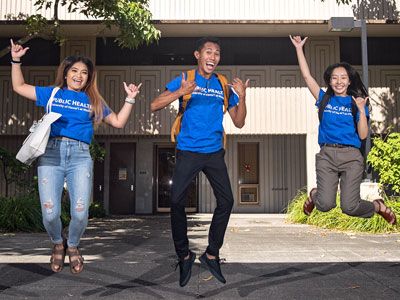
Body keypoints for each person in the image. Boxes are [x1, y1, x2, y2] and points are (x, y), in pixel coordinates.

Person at [10, 39, 142, 274]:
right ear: (66, 73)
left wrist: (129, 98)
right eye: (74, 71)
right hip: (51, 153)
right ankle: (57, 243)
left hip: (80, 157)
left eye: (84, 73)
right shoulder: (52, 93)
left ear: (88, 78)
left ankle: (72, 246)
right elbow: (19, 87)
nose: (79, 76)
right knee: (50, 214)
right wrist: (16, 60)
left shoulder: (93, 101)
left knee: (80, 212)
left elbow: (119, 122)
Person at [151, 37, 249, 287]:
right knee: (176, 201)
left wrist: (243, 96)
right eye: (209, 52)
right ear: (197, 55)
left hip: (214, 152)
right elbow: (154, 105)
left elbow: (238, 122)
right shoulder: (185, 78)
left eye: (217, 53)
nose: (213, 57)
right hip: (188, 150)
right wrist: (180, 92)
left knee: (227, 200)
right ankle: (184, 255)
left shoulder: (222, 84)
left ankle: (211, 253)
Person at [289, 35, 396, 225]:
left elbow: (363, 135)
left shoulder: (356, 103)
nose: (339, 82)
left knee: (350, 207)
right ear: (329, 82)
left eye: (343, 78)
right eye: (334, 78)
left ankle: (377, 207)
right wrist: (299, 48)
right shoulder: (324, 99)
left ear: (349, 82)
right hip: (327, 154)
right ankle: (315, 196)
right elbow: (307, 77)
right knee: (325, 204)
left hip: (351, 157)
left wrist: (362, 110)